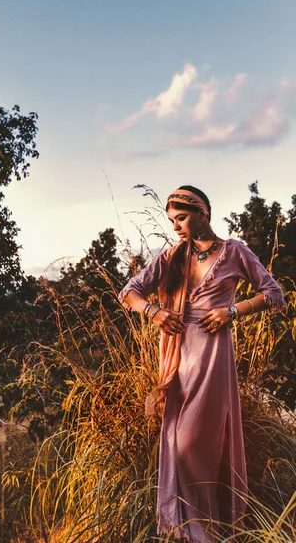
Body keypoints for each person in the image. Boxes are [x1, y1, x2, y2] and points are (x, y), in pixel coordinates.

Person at [118, 185, 287, 543]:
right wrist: (154, 312)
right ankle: (193, 532)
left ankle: (208, 531)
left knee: (197, 444)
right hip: (178, 358)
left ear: (202, 213)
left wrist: (232, 311)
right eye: (172, 220)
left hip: (212, 358)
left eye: (181, 218)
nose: (176, 226)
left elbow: (273, 294)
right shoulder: (172, 256)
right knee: (179, 446)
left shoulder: (234, 251)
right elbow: (129, 291)